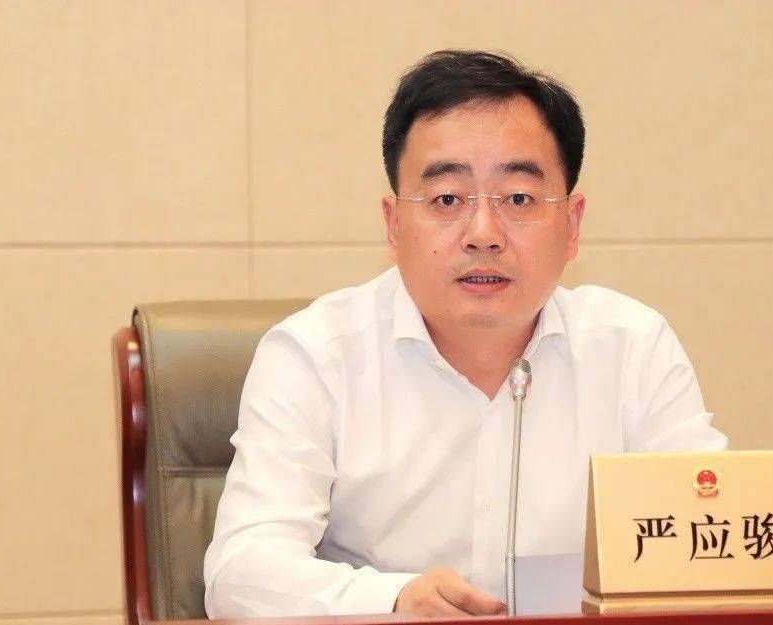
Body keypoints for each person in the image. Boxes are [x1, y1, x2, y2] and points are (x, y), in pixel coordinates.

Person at [203, 49, 727, 619]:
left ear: (572, 226)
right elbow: (241, 572)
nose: (483, 233)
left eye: (519, 199)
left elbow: (716, 550)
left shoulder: (634, 351)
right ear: (393, 225)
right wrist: (393, 602)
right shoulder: (314, 357)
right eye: (447, 199)